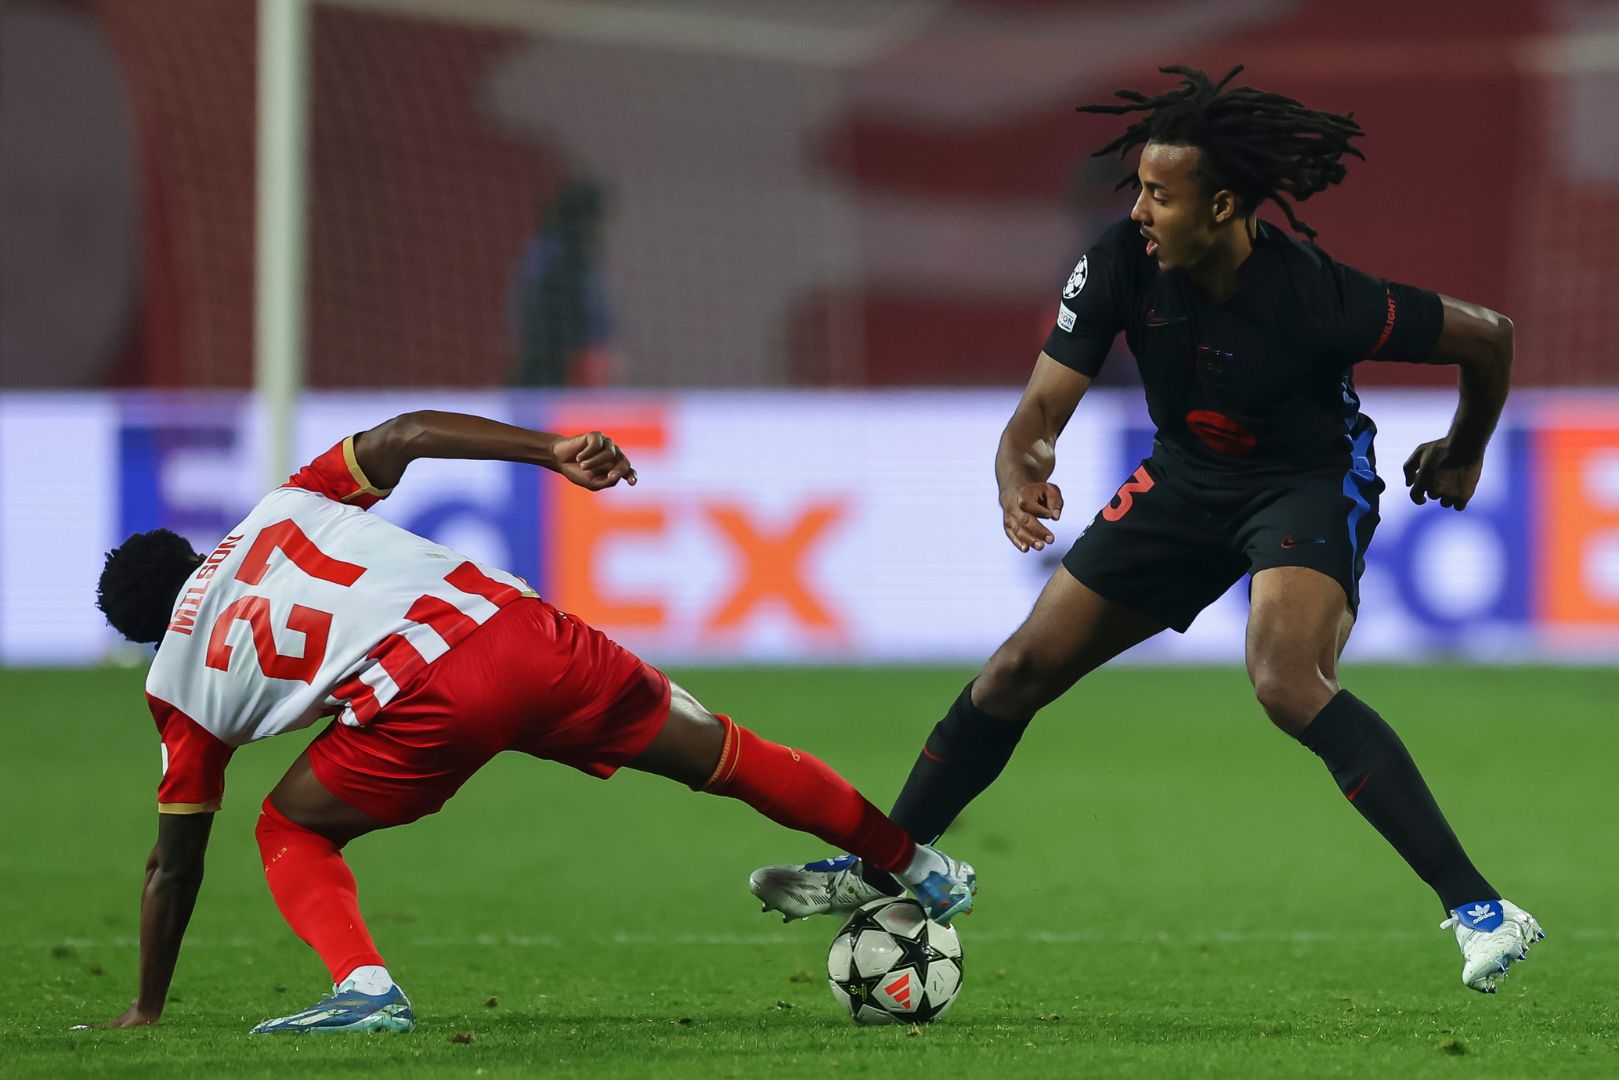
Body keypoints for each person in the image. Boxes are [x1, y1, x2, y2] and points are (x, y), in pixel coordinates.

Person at [749, 66, 1541, 994]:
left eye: (1158, 195)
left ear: (1222, 206)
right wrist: (1022, 469)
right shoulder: (1120, 263)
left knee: (1287, 682)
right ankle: (887, 860)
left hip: (1303, 484)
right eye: (1137, 190)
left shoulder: (1317, 295)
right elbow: (1037, 410)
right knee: (1015, 672)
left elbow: (1489, 336)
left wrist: (1462, 448)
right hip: (1181, 483)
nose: (1137, 211)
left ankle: (1480, 909)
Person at [93, 411, 976, 1035]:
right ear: (189, 548)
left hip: (421, 705)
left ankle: (363, 987)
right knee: (727, 754)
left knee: (288, 824)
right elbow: (405, 435)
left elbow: (173, 867)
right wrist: (550, 448)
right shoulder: (280, 508)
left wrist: (149, 1003)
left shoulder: (174, 686)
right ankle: (918, 864)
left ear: (142, 634)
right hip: (520, 632)